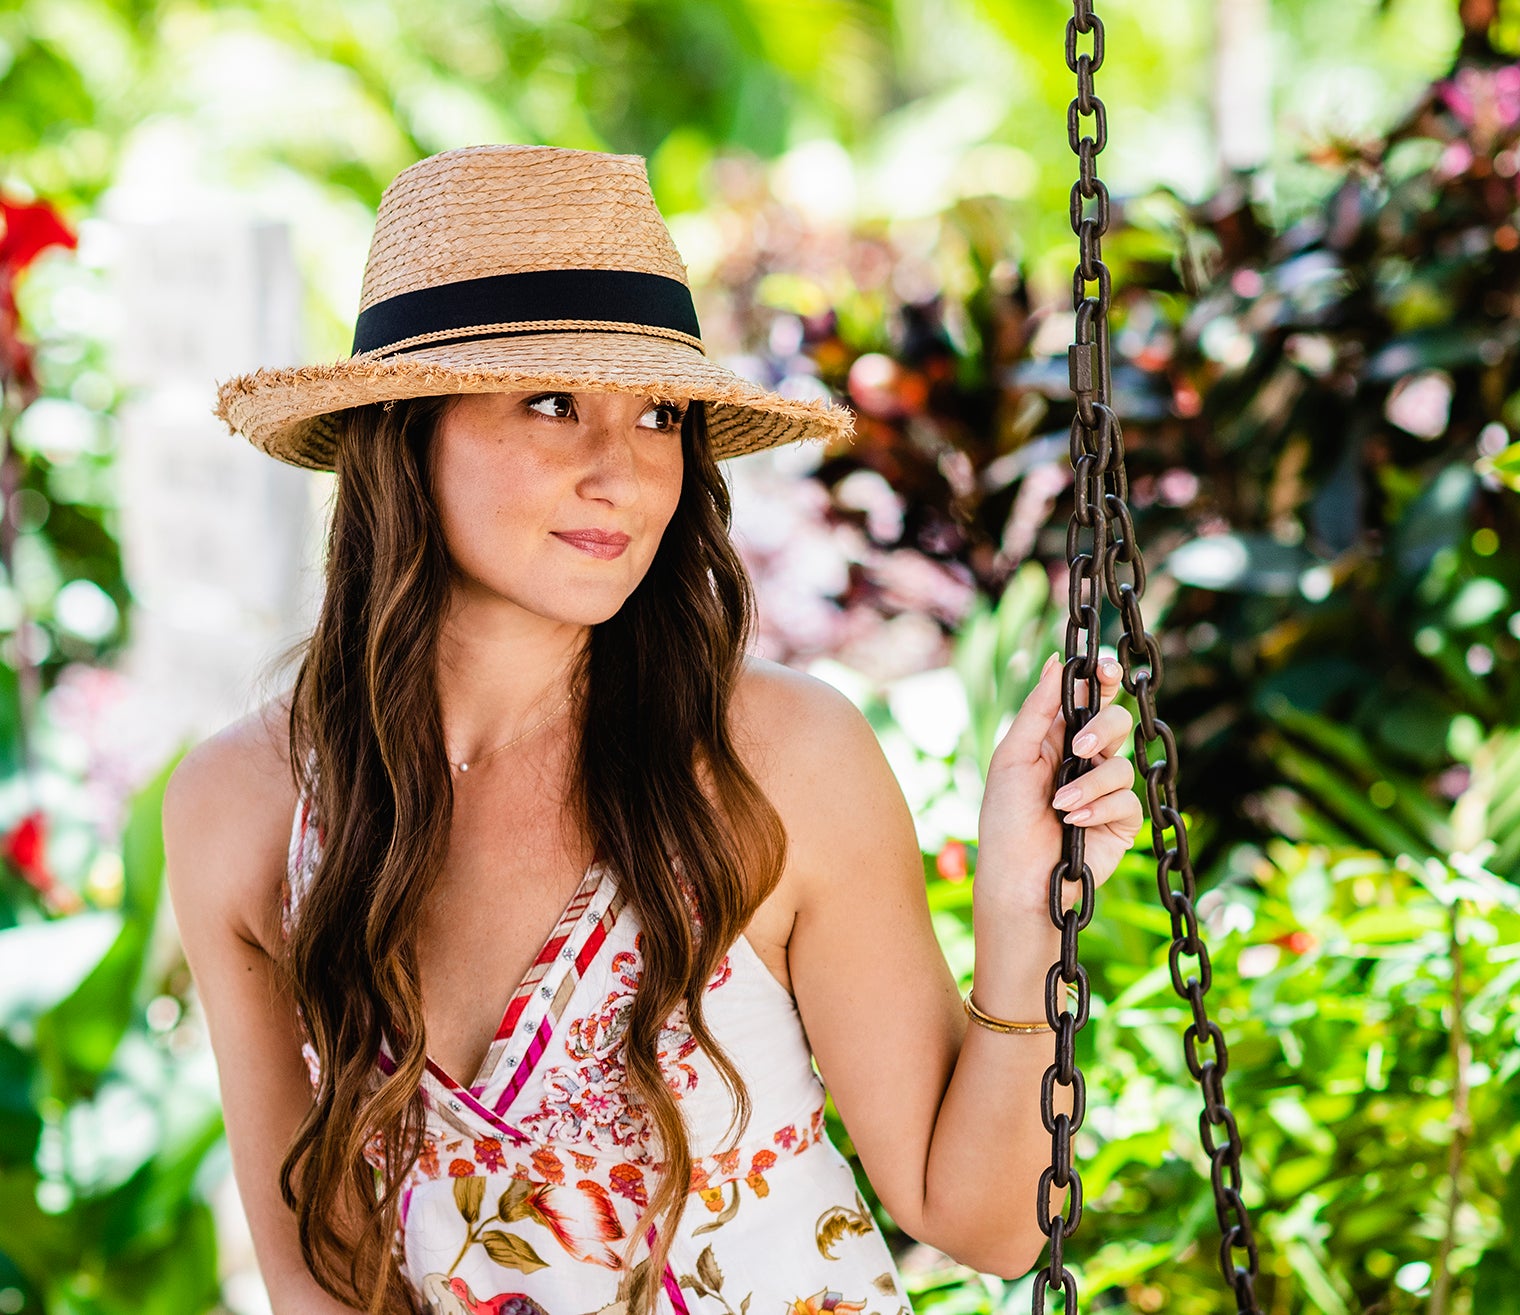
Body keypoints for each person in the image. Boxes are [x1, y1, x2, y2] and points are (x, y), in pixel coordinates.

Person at [164, 143, 1142, 1315]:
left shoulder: (773, 763)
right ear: (403, 431)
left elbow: (977, 1218)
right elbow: (319, 1283)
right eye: (550, 402)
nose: (618, 472)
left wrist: (1025, 916)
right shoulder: (248, 808)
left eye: (658, 414)